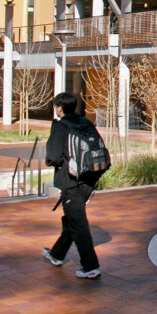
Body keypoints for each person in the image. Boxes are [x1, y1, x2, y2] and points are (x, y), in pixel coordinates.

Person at [43, 91, 102, 279]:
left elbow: (52, 157)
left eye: (56, 106)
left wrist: (60, 163)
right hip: (89, 179)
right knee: (72, 217)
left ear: (60, 108)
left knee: (78, 223)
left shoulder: (61, 127)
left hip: (71, 181)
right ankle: (56, 255)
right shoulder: (86, 122)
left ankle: (90, 266)